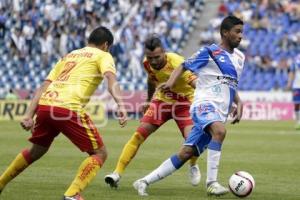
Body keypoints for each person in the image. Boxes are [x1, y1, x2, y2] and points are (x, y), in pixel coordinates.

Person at [0, 26, 127, 200]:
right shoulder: (103, 55)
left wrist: (29, 115)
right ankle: (72, 195)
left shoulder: (69, 56)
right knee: (100, 154)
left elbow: (43, 87)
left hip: (45, 105)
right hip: (68, 107)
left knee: (36, 150)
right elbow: (111, 79)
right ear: (106, 45)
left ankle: (0, 183)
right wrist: (121, 104)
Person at [133, 15, 245, 197]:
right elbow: (184, 65)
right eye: (237, 32)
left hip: (219, 110)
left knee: (186, 152)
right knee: (220, 132)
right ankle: (212, 183)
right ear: (225, 33)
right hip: (203, 105)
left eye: (242, 32)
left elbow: (230, 82)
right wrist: (170, 83)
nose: (241, 36)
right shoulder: (210, 52)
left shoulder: (240, 57)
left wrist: (238, 101)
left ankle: (144, 181)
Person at [104, 36, 201, 188]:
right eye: (150, 58)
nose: (153, 61)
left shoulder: (176, 62)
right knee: (138, 135)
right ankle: (116, 174)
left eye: (157, 57)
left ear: (164, 52)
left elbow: (196, 83)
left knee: (192, 141)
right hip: (162, 101)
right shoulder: (146, 63)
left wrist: (205, 102)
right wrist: (149, 100)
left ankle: (193, 165)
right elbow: (151, 80)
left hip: (184, 103)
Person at [286, 54, 300, 129]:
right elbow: (292, 71)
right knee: (297, 104)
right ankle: (298, 121)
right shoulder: (297, 58)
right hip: (297, 85)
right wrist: (289, 83)